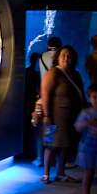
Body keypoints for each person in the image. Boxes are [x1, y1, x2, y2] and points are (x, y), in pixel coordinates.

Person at [40, 45, 85, 183]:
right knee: (51, 145)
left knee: (66, 144)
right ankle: (46, 174)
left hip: (70, 117)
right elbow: (45, 94)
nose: (66, 58)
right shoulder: (53, 73)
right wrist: (47, 115)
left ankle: (61, 173)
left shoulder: (75, 74)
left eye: (69, 56)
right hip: (54, 117)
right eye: (63, 55)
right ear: (58, 57)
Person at [25, 52, 43, 165]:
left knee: (31, 129)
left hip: (27, 104)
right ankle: (36, 154)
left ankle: (29, 152)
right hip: (34, 104)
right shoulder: (38, 74)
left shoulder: (26, 72)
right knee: (36, 130)